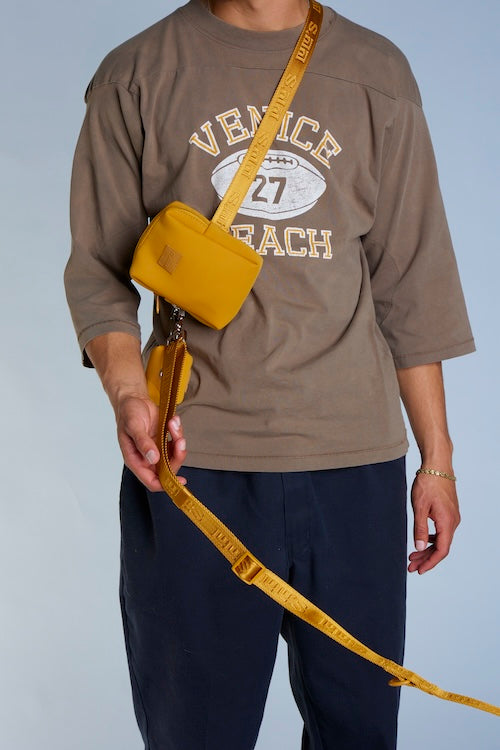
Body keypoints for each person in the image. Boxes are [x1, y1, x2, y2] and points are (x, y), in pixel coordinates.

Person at [64, 0, 475, 747]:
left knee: (359, 731)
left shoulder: (377, 73)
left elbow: (414, 285)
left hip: (356, 463)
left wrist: (438, 462)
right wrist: (130, 395)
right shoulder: (137, 74)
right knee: (194, 733)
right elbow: (98, 275)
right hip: (194, 466)